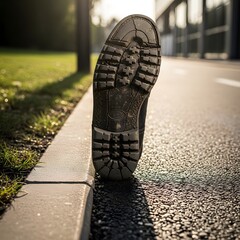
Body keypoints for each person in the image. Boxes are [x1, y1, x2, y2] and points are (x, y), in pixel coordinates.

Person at [92, 14, 161, 180]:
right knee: (139, 98)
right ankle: (134, 133)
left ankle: (118, 119)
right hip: (128, 156)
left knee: (138, 97)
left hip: (117, 151)